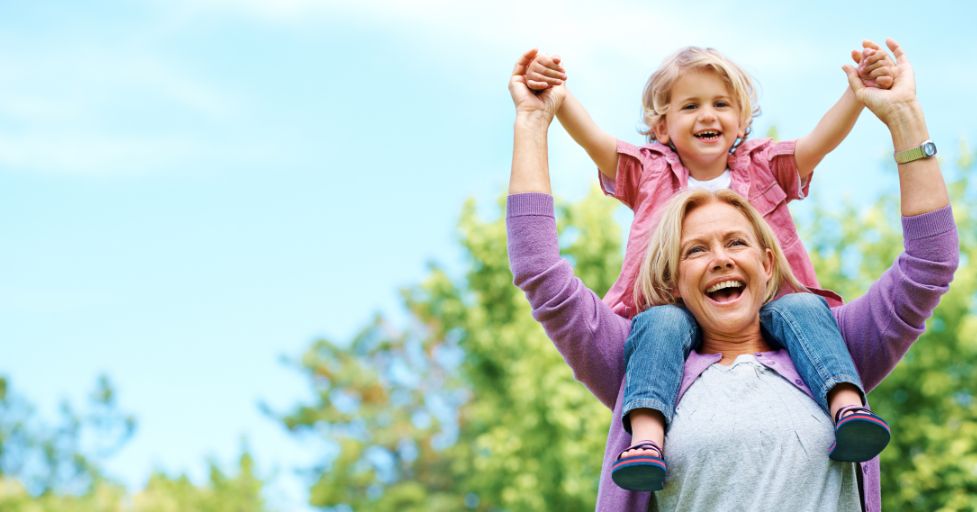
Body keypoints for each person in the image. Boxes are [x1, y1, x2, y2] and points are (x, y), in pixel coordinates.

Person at [506, 39, 957, 511]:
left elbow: (930, 262)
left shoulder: (831, 342)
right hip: (655, 337)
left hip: (805, 326)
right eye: (695, 249)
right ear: (669, 278)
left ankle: (848, 408)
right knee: (658, 324)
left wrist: (903, 113)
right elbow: (539, 269)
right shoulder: (639, 361)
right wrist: (536, 120)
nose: (720, 258)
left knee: (803, 306)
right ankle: (648, 438)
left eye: (736, 241)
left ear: (768, 261)